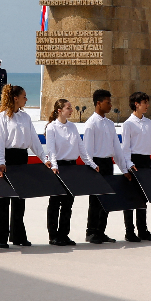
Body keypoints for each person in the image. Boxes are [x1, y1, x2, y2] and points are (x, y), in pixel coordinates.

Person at [0, 84, 37, 248]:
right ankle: (0, 237)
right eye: (24, 96)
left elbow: (33, 140)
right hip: (8, 158)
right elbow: (0, 140)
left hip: (21, 157)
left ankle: (18, 235)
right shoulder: (2, 117)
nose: (26, 99)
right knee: (3, 199)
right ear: (15, 98)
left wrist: (44, 158)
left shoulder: (25, 117)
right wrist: (1, 162)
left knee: (20, 199)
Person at [40, 94, 85, 245]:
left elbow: (81, 147)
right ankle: (53, 235)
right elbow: (51, 150)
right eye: (68, 108)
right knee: (55, 202)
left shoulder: (72, 127)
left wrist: (90, 163)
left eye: (71, 107)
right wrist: (54, 166)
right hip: (58, 167)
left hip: (72, 167)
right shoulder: (52, 127)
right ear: (59, 110)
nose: (71, 110)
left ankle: (64, 234)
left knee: (68, 203)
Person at [119, 92, 151, 242]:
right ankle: (129, 231)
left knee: (143, 197)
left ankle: (143, 230)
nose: (147, 105)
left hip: (145, 162)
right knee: (131, 197)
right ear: (136, 104)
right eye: (144, 102)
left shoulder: (149, 123)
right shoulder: (128, 124)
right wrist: (129, 165)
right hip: (133, 162)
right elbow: (125, 148)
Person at [80, 90, 120, 244]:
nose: (110, 105)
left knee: (107, 199)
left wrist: (124, 168)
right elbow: (87, 150)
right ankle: (91, 232)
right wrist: (91, 167)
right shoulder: (91, 124)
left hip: (108, 163)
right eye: (107, 102)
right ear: (98, 103)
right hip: (96, 164)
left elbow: (116, 148)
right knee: (95, 200)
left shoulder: (110, 124)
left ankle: (101, 231)